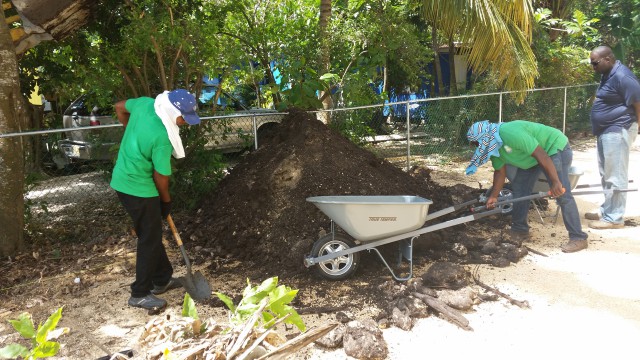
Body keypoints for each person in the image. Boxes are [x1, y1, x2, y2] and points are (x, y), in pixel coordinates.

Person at [111, 89, 201, 310]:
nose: (184, 123)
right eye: (183, 118)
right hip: (139, 188)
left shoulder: (145, 104)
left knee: (150, 232)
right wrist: (165, 201)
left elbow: (119, 106)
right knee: (149, 239)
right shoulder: (162, 137)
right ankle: (140, 293)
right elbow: (161, 177)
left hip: (122, 180)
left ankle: (161, 279)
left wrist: (129, 132)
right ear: (172, 111)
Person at [466, 120, 589, 253]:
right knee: (520, 189)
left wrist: (555, 182)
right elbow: (500, 172)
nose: (479, 147)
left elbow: (542, 155)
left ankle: (578, 237)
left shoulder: (510, 133)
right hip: (532, 157)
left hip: (553, 147)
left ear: (485, 137)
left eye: (478, 144)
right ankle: (520, 229)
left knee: (562, 193)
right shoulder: (495, 147)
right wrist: (494, 196)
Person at [586, 46, 640, 229]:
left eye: (595, 63)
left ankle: (614, 218)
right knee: (606, 173)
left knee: (615, 174)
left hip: (618, 129)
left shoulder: (622, 77)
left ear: (608, 59)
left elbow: (638, 102)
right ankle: (607, 209)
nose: (592, 67)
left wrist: (638, 128)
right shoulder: (607, 74)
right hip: (606, 130)